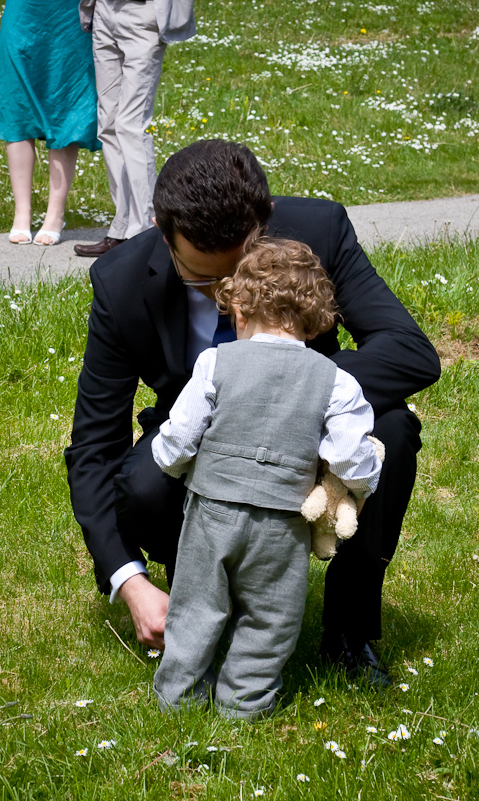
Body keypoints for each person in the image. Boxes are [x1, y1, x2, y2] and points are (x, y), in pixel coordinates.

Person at [65, 139, 441, 688]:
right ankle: (205, 598)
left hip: (312, 433)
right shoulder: (121, 283)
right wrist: (131, 582)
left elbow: (410, 352)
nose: (224, 297)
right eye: (201, 281)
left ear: (262, 227)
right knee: (141, 483)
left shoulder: (320, 228)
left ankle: (347, 632)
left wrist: (303, 393)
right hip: (201, 439)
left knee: (393, 430)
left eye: (235, 278)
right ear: (161, 229)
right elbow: (94, 446)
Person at [151, 239, 382, 718]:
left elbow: (178, 439)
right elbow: (348, 457)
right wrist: (364, 482)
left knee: (196, 606)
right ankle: (245, 701)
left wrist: (171, 463)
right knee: (271, 617)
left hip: (212, 511)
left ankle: (178, 697)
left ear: (238, 308)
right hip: (282, 521)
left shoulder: (217, 362)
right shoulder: (336, 380)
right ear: (315, 319)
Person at [72, 0, 196, 257]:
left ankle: (145, 232)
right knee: (108, 124)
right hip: (104, 10)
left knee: (131, 124)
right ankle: (121, 228)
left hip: (142, 12)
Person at [0, 0, 101, 246]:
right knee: (17, 106)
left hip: (68, 11)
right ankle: (22, 213)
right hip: (23, 9)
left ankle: (55, 215)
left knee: (64, 102)